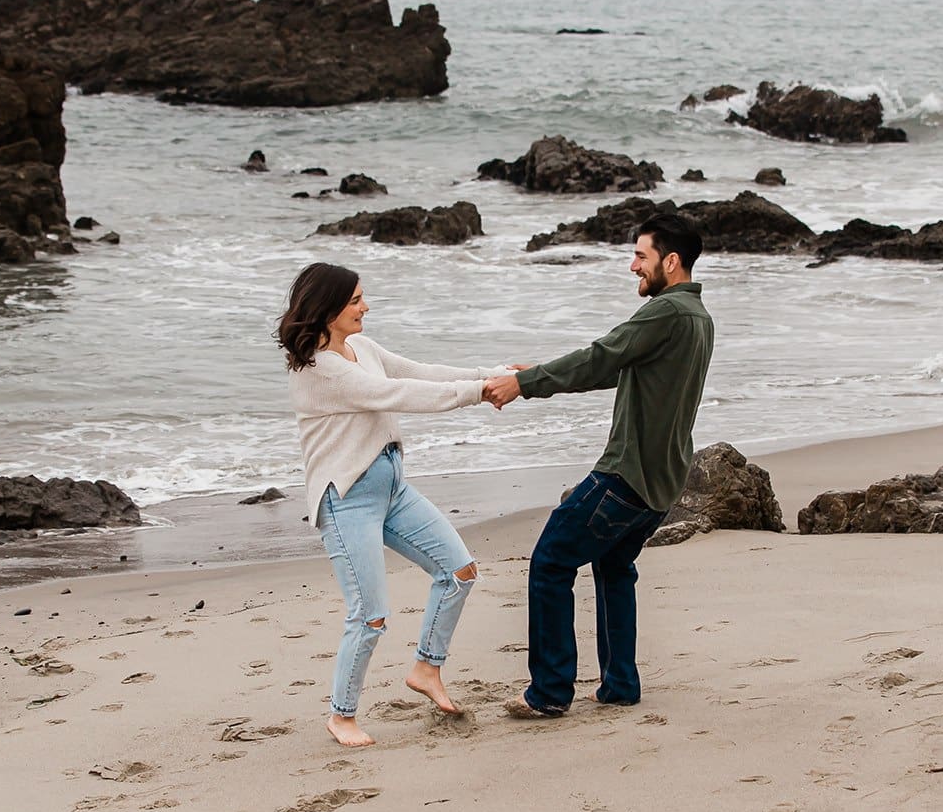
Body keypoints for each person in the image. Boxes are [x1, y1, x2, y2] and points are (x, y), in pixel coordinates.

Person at [483, 212, 714, 718]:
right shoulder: (697, 318)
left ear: (669, 261)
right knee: (613, 567)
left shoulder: (667, 313)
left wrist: (524, 385)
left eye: (640, 255)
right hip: (663, 480)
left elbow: (602, 356)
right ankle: (620, 685)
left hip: (626, 475)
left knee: (550, 562)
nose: (633, 266)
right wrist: (540, 371)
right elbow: (620, 366)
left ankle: (548, 694)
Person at [279, 262, 504, 748]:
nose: (366, 306)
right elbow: (395, 393)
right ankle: (342, 716)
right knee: (370, 614)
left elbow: (416, 372)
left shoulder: (359, 347)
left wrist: (494, 374)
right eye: (356, 300)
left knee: (459, 571)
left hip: (392, 488)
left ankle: (426, 668)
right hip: (347, 501)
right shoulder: (320, 371)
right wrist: (478, 393)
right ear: (329, 308)